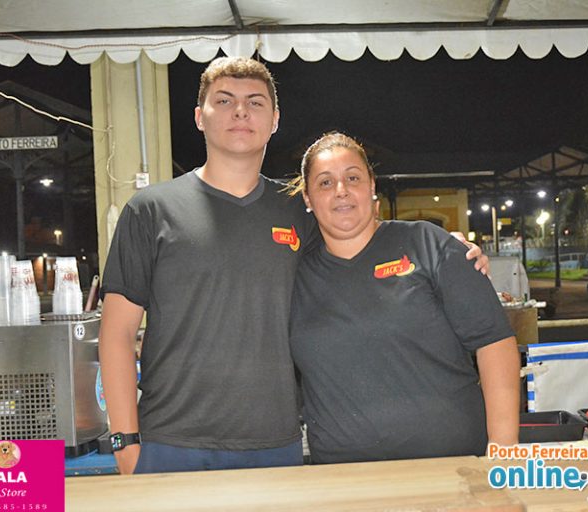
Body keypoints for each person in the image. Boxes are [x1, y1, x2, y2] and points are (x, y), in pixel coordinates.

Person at [99, 57, 490, 475]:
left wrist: (449, 248)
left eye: (255, 102)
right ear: (199, 117)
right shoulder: (150, 210)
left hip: (274, 446)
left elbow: (365, 242)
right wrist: (125, 442)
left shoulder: (300, 214)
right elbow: (116, 334)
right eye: (224, 100)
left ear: (274, 120)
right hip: (171, 442)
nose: (240, 112)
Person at [289, 132, 520, 464]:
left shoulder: (429, 244)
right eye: (325, 182)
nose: (341, 190)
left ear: (372, 186)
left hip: (453, 467)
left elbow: (494, 343)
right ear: (308, 198)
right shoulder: (292, 275)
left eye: (353, 178)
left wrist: (504, 450)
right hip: (342, 477)